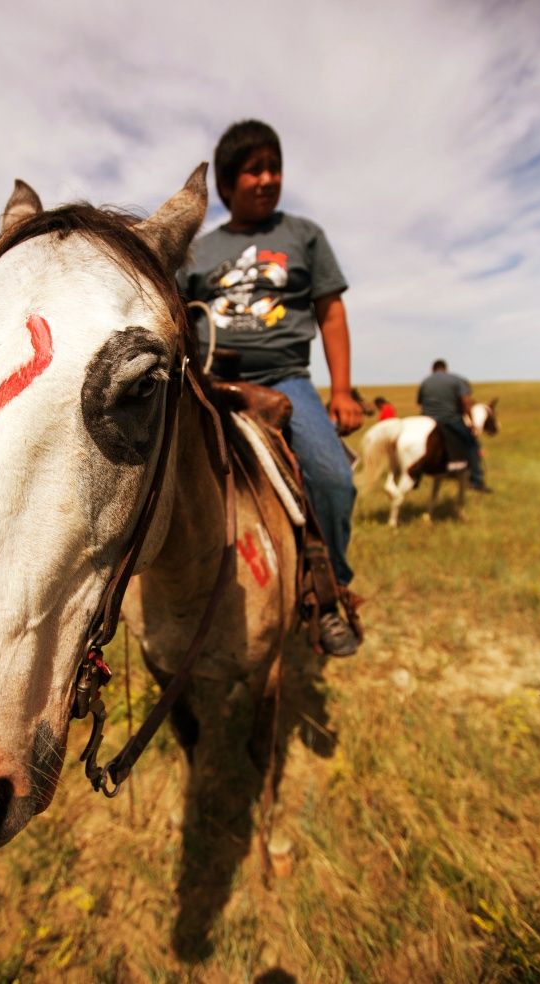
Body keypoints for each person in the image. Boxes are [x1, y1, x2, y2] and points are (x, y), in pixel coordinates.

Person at [180, 119, 363, 656]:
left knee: (333, 479)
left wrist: (344, 391)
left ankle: (328, 593)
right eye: (253, 170)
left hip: (286, 381)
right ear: (229, 184)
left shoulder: (303, 235)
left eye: (274, 168)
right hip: (211, 380)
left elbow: (330, 310)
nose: (266, 179)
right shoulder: (199, 249)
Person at [417, 359, 490, 491]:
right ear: (445, 368)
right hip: (449, 419)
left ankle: (417, 477)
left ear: (433, 369)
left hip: (426, 419)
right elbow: (466, 403)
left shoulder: (426, 381)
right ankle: (477, 480)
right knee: (472, 443)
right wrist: (472, 423)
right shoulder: (456, 380)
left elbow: (420, 402)